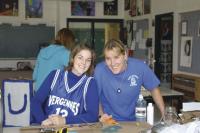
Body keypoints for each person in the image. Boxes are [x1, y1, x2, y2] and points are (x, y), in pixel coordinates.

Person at [94, 39, 165, 121]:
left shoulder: (139, 67)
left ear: (125, 55)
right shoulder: (100, 70)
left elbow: (154, 88)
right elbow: (95, 97)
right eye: (108, 58)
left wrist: (164, 113)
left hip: (134, 121)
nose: (112, 63)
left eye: (116, 57)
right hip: (109, 121)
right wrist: (101, 115)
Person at [30, 44, 99, 126]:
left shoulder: (90, 83)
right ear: (72, 58)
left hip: (73, 130)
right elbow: (36, 101)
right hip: (48, 128)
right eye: (80, 57)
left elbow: (92, 116)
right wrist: (43, 120)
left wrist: (64, 120)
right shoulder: (55, 75)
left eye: (88, 60)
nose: (83, 63)